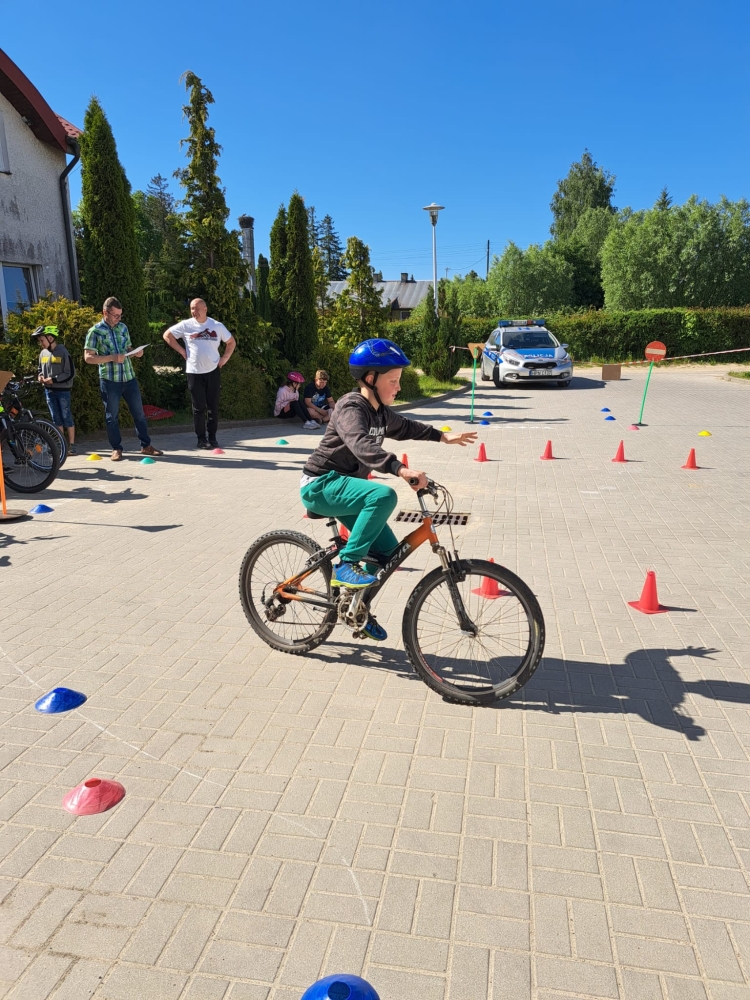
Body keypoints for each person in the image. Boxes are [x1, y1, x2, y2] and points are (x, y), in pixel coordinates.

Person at [300, 338, 477, 641]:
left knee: (386, 554)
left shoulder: (380, 412)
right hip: (320, 484)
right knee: (383, 495)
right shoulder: (350, 408)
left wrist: (442, 437)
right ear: (370, 379)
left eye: (399, 381)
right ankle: (347, 565)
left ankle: (356, 610)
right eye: (393, 381)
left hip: (346, 490)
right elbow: (361, 444)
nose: (398, 387)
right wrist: (400, 469)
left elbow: (407, 427)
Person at [84, 296, 163, 462]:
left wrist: (135, 352)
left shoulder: (123, 328)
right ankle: (116, 449)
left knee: (139, 414)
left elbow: (127, 348)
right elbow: (88, 358)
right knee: (112, 416)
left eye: (120, 315)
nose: (118, 318)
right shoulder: (95, 331)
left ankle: (146, 446)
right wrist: (111, 357)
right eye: (115, 315)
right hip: (109, 380)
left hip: (129, 377)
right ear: (105, 313)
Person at [162, 298, 236, 449]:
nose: (194, 312)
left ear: (205, 309)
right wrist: (182, 351)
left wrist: (225, 358)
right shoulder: (186, 325)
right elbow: (167, 335)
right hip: (194, 372)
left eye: (197, 308)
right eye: (191, 309)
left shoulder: (216, 326)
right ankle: (201, 439)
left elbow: (231, 342)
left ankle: (213, 437)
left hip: (213, 371)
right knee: (198, 408)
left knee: (213, 407)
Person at [31, 325, 77, 455]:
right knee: (56, 419)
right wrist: (40, 376)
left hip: (63, 391)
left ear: (50, 338)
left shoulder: (63, 352)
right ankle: (61, 445)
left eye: (42, 340)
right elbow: (39, 369)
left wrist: (54, 380)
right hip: (49, 391)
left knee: (66, 417)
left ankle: (72, 445)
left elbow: (70, 373)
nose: (41, 343)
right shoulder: (43, 353)